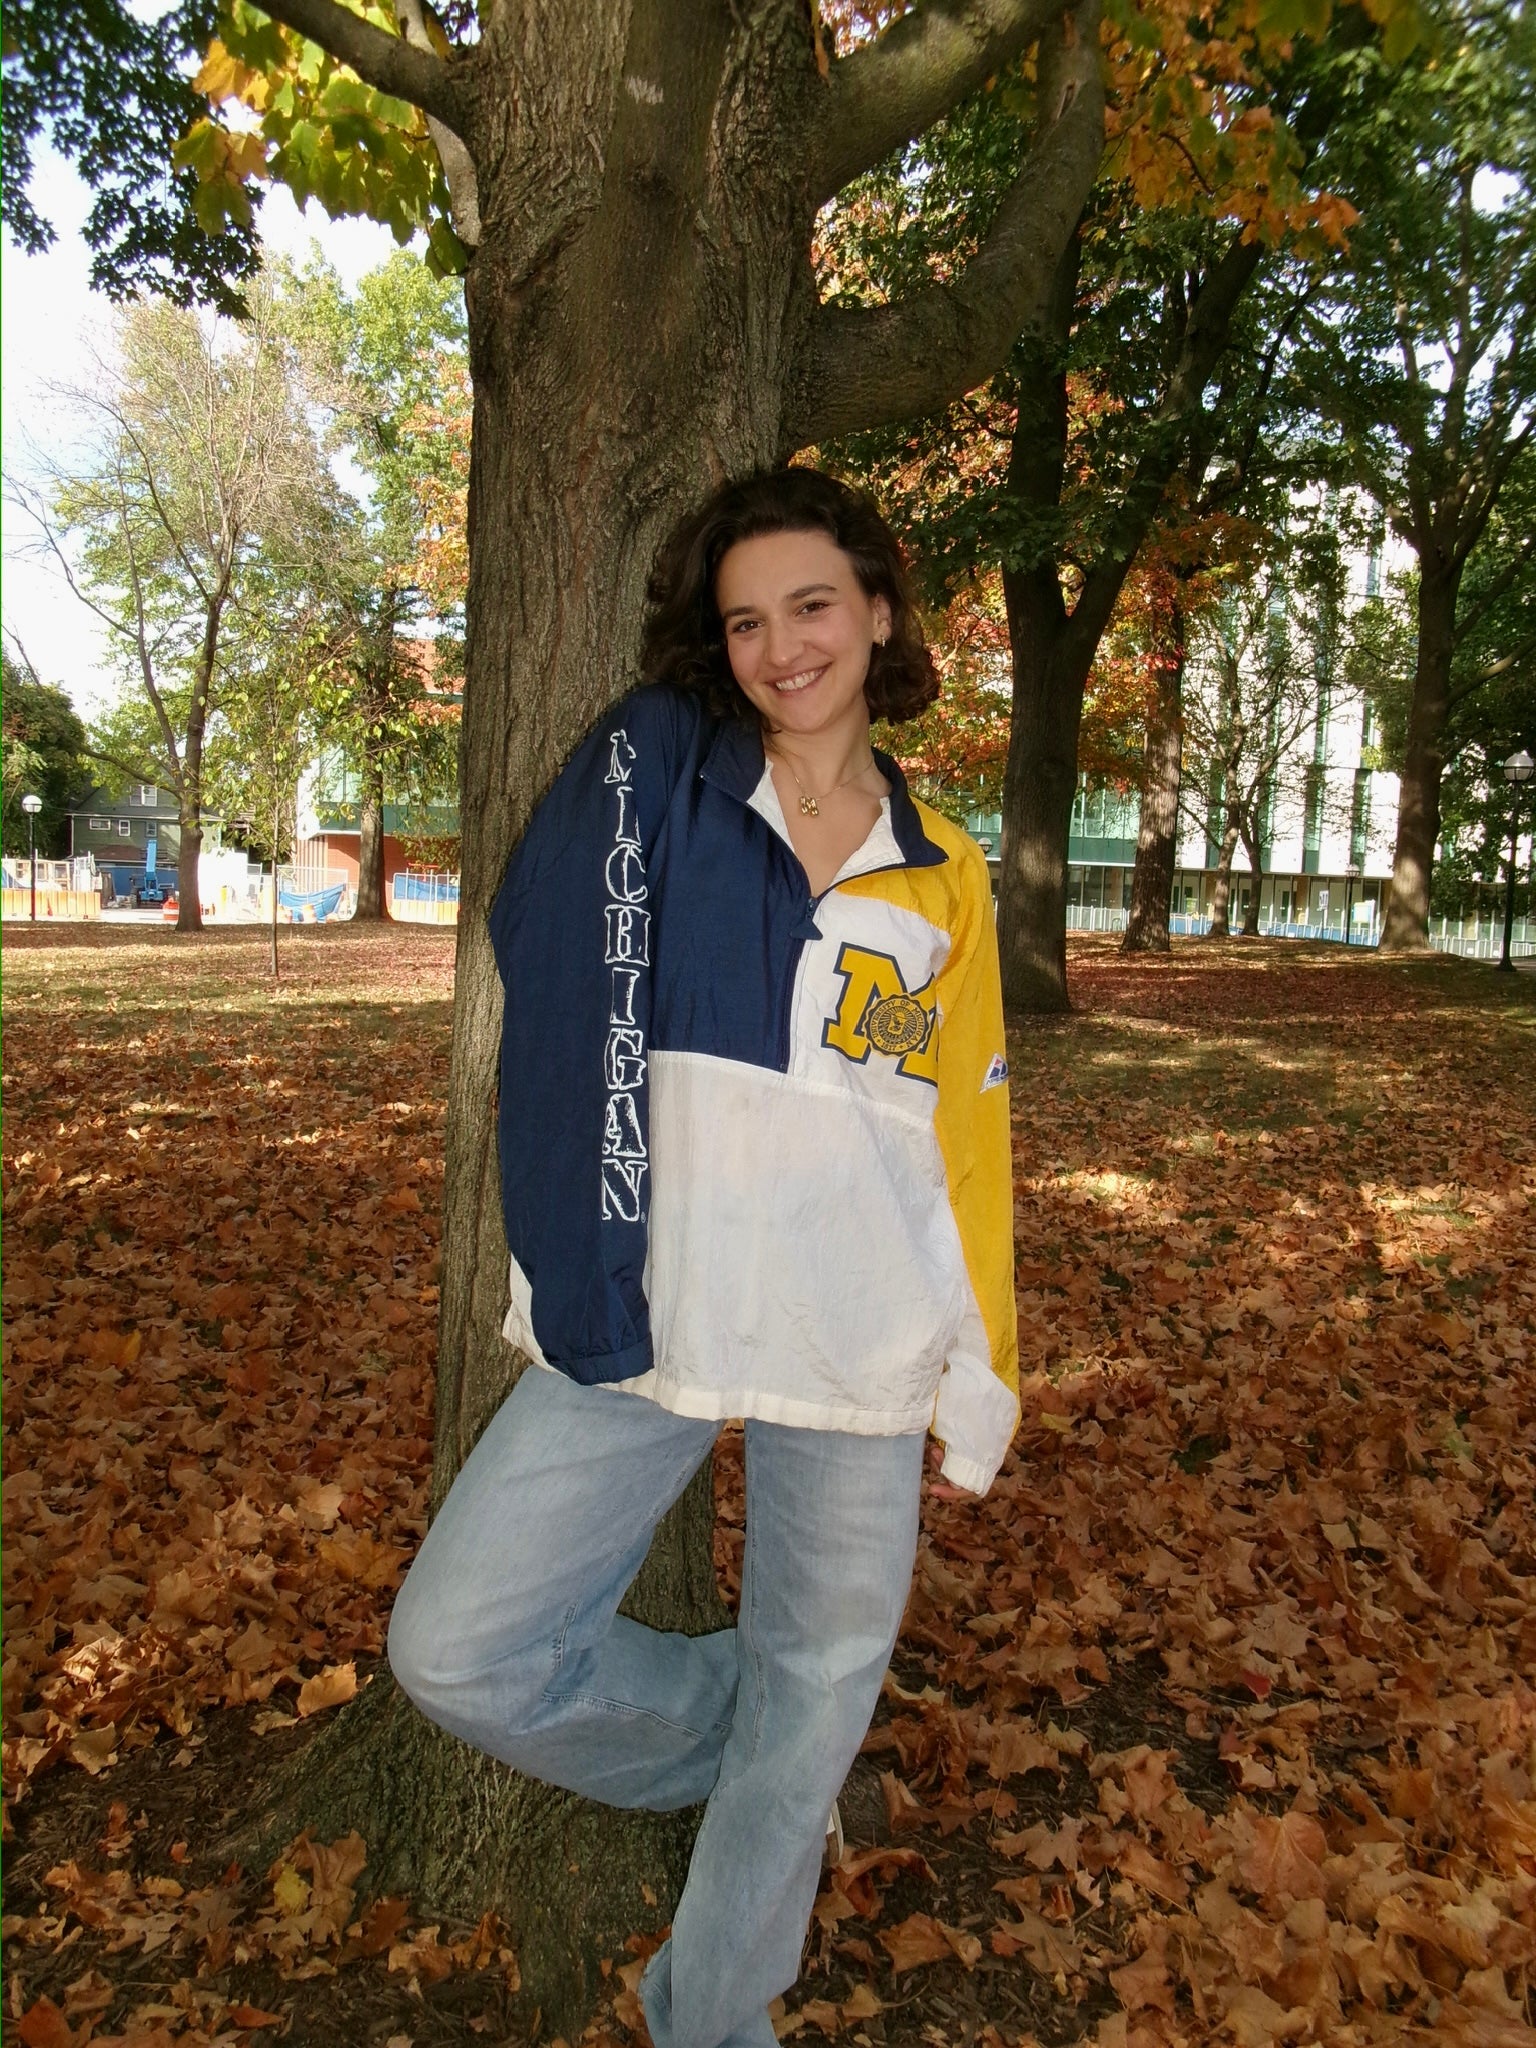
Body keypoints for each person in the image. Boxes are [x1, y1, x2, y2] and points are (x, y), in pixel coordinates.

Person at [387, 468, 1018, 2048]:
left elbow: (967, 1141)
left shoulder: (946, 869)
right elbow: (554, 959)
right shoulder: (658, 772)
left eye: (812, 603)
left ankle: (713, 2020)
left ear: (878, 609)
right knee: (456, 1650)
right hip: (650, 1310)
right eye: (746, 619)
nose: (781, 645)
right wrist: (578, 1260)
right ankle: (757, 1727)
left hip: (857, 1341)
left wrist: (981, 1359)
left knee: (824, 1683)